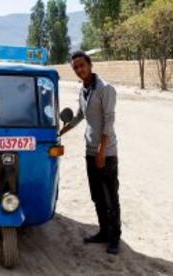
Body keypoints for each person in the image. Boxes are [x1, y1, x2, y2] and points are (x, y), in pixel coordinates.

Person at [60, 51, 121, 254]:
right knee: (97, 196)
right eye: (75, 67)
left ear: (90, 65)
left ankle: (114, 238)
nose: (79, 69)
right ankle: (104, 231)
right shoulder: (83, 90)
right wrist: (61, 131)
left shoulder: (105, 88)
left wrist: (103, 151)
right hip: (90, 151)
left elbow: (109, 121)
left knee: (110, 196)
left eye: (81, 65)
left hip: (106, 153)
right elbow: (79, 116)